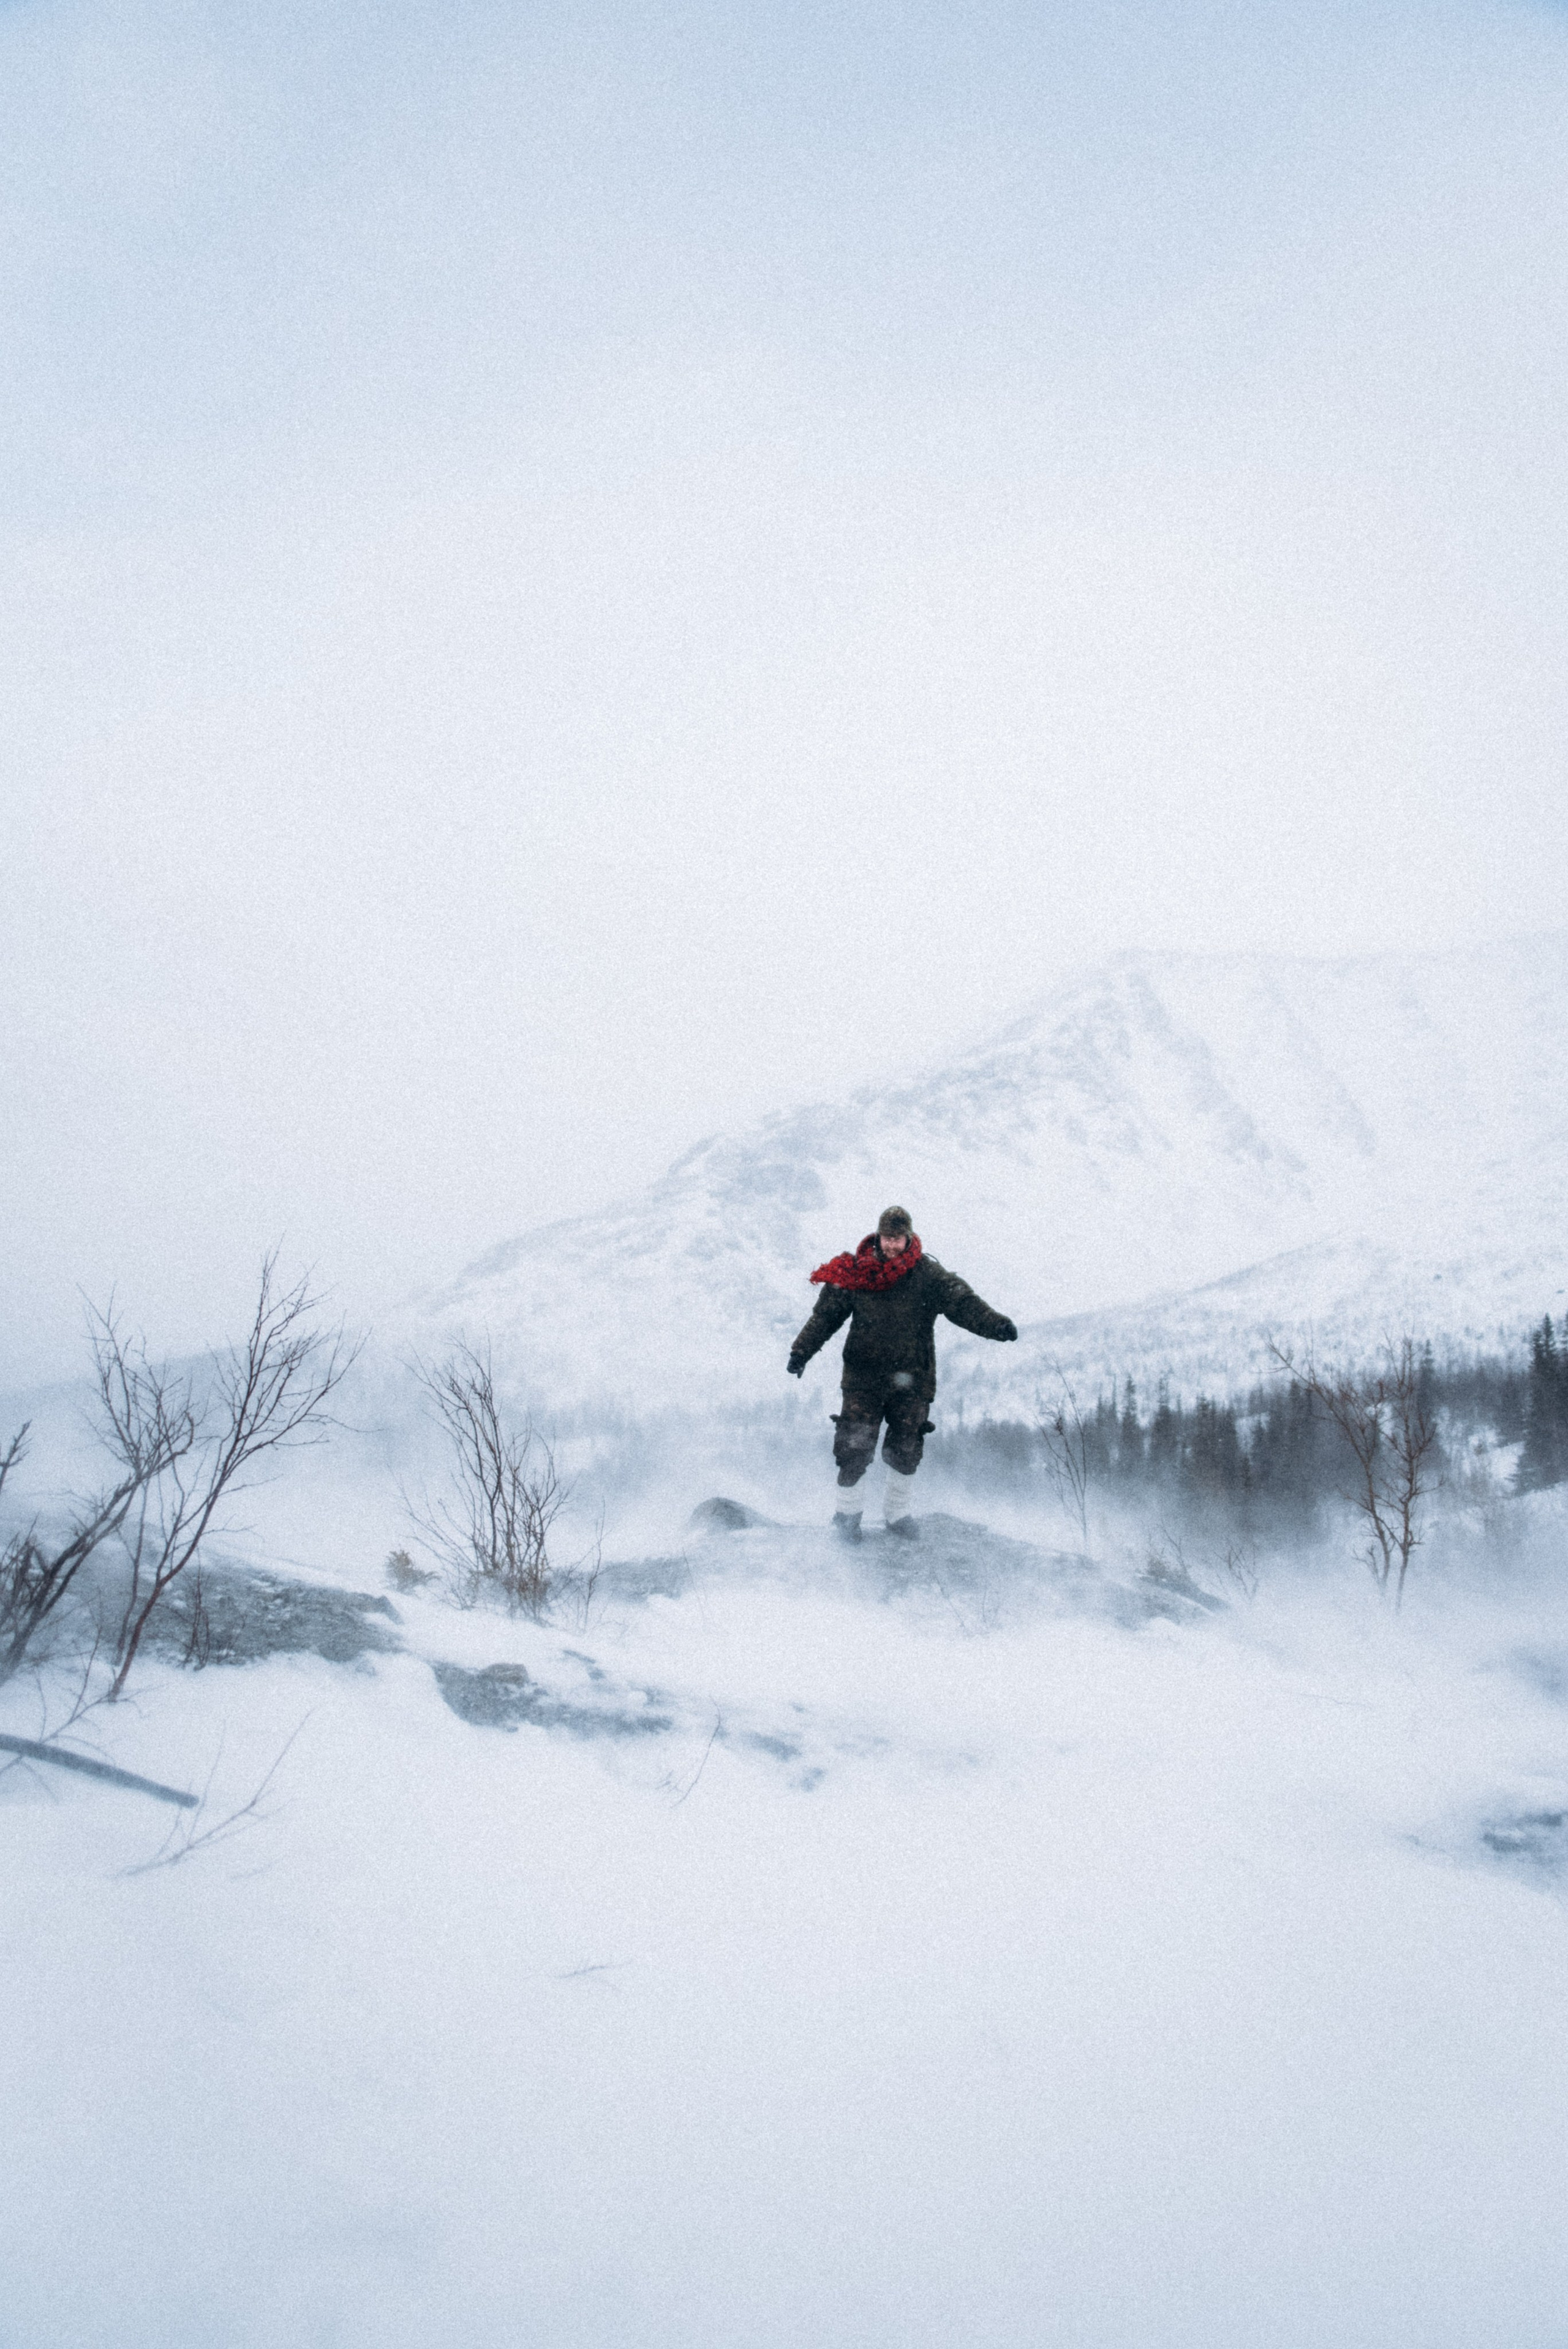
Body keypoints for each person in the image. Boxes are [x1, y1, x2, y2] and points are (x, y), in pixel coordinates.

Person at [786, 1205, 1017, 1540]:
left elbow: (962, 1302)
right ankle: (847, 1518)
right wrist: (801, 1351)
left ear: (909, 1237)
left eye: (898, 1238)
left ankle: (897, 1516)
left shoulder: (928, 1276)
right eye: (887, 1238)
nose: (892, 1245)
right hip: (863, 1379)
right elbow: (825, 1316)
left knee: (906, 1447)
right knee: (853, 1447)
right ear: (878, 1236)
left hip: (913, 1379)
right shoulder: (856, 1273)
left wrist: (996, 1324)